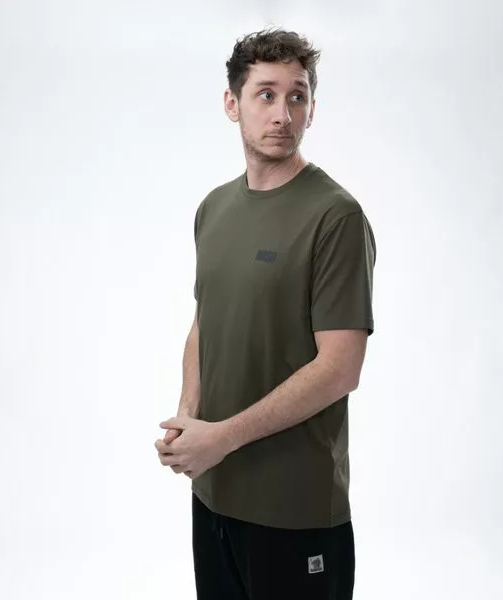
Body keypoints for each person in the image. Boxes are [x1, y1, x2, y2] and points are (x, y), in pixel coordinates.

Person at [154, 26, 376, 600]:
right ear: (233, 104)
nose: (283, 113)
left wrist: (222, 437)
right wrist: (188, 419)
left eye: (297, 96)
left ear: (311, 109)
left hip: (295, 511)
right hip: (213, 496)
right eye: (266, 94)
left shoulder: (335, 216)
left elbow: (340, 368)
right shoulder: (214, 208)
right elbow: (206, 320)